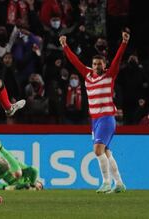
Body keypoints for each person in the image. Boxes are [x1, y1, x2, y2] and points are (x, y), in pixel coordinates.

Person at [59, 31, 130, 193]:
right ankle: (119, 183)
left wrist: (124, 43)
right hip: (95, 120)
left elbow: (118, 59)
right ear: (92, 64)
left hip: (106, 118)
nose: (98, 66)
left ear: (105, 65)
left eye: (100, 64)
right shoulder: (87, 75)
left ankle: (106, 182)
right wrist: (65, 46)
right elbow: (74, 61)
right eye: (95, 64)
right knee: (106, 151)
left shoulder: (110, 75)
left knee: (97, 150)